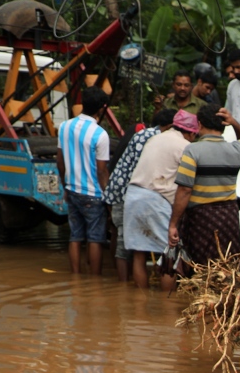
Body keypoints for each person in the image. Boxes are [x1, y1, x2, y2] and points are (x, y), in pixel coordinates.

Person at [167, 109, 240, 284]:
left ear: (199, 125)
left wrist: (173, 223)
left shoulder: (193, 150)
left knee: (201, 273)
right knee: (228, 271)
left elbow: (184, 190)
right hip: (229, 219)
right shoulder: (235, 150)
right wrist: (234, 122)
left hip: (201, 219)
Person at [125, 109, 197, 290]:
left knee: (139, 255)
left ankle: (139, 310)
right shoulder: (184, 146)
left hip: (133, 195)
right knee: (169, 256)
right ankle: (166, 309)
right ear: (190, 132)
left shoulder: (155, 138)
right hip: (156, 199)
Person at [103, 108, 172, 282]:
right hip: (129, 194)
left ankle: (124, 285)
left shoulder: (145, 135)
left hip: (123, 192)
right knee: (130, 244)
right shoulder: (153, 138)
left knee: (125, 242)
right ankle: (125, 282)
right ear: (170, 126)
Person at [56, 87, 112, 276]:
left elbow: (60, 160)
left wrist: (65, 184)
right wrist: (109, 196)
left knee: (75, 236)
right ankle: (94, 281)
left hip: (72, 189)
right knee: (95, 238)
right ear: (100, 109)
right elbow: (102, 171)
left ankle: (76, 278)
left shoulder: (64, 126)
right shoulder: (100, 134)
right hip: (93, 194)